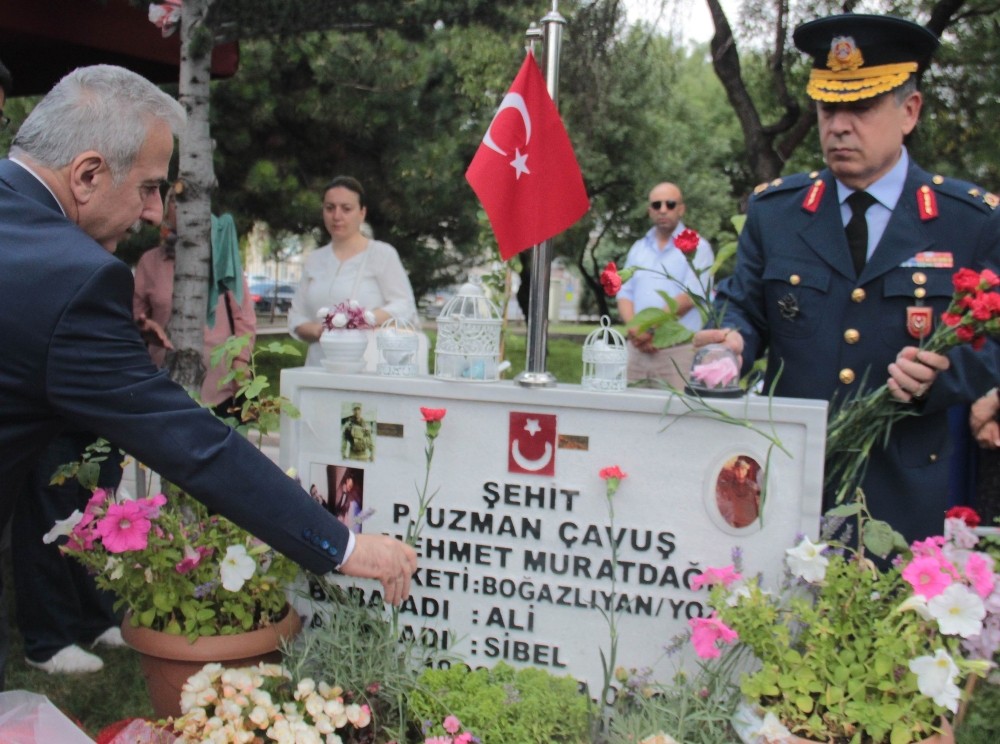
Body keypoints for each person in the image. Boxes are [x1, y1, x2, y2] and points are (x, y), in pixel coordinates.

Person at [0, 65, 417, 687]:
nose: (150, 212)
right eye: (147, 187)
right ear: (87, 175)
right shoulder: (71, 277)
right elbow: (193, 445)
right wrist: (348, 546)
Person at [695, 13, 1000, 543]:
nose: (838, 125)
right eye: (828, 106)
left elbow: (994, 345)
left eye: (860, 107)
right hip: (789, 487)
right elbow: (742, 307)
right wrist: (731, 342)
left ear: (909, 111)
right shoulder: (777, 212)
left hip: (908, 500)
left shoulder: (968, 222)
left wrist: (945, 376)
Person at [133, 187, 257, 417]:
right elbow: (135, 321)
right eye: (176, 202)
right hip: (164, 385)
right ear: (166, 211)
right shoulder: (149, 263)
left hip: (220, 389)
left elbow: (244, 318)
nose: (185, 210)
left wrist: (241, 363)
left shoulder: (222, 257)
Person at [288, 176, 418, 368]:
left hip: (366, 368)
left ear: (362, 213)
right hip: (318, 369)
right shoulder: (314, 259)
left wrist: (360, 320)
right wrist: (320, 330)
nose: (337, 216)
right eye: (330, 208)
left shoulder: (382, 254)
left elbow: (404, 305)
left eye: (346, 208)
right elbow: (296, 316)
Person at [617, 182, 714, 388]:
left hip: (677, 352)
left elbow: (690, 298)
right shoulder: (638, 248)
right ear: (649, 210)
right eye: (656, 204)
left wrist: (649, 330)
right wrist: (636, 330)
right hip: (636, 351)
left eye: (670, 204)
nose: (663, 210)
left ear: (681, 209)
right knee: (629, 415)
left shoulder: (698, 246)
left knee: (674, 417)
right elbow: (624, 291)